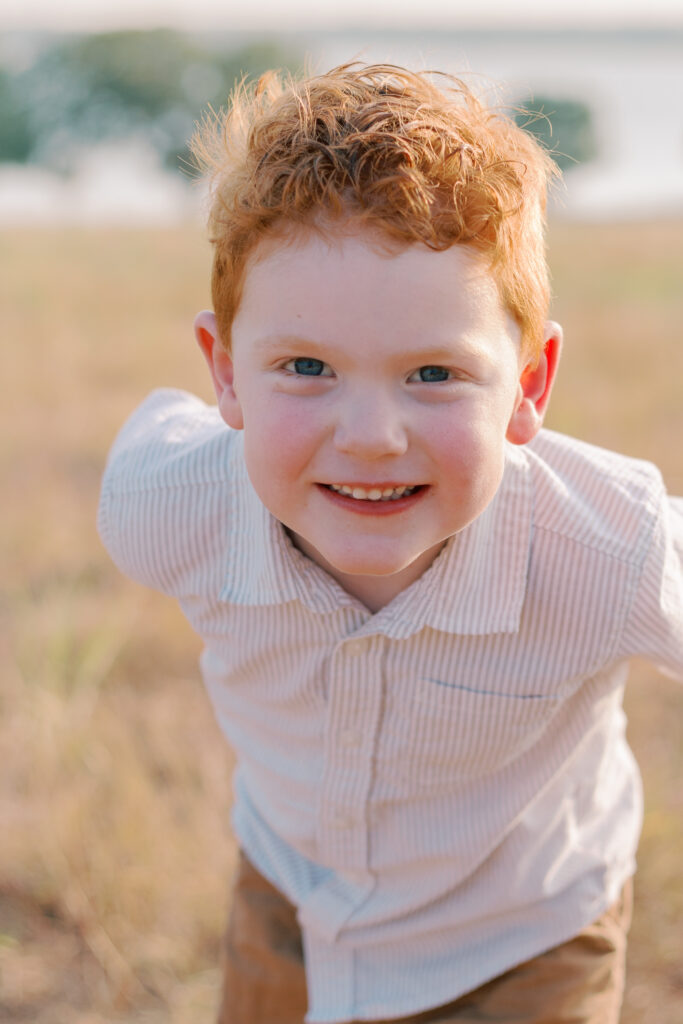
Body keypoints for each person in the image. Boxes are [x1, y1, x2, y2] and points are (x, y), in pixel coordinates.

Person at [97, 64, 682, 1024]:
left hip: (527, 929)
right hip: (292, 892)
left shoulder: (603, 546)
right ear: (226, 374)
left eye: (434, 373)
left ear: (529, 387)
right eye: (306, 367)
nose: (371, 434)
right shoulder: (163, 502)